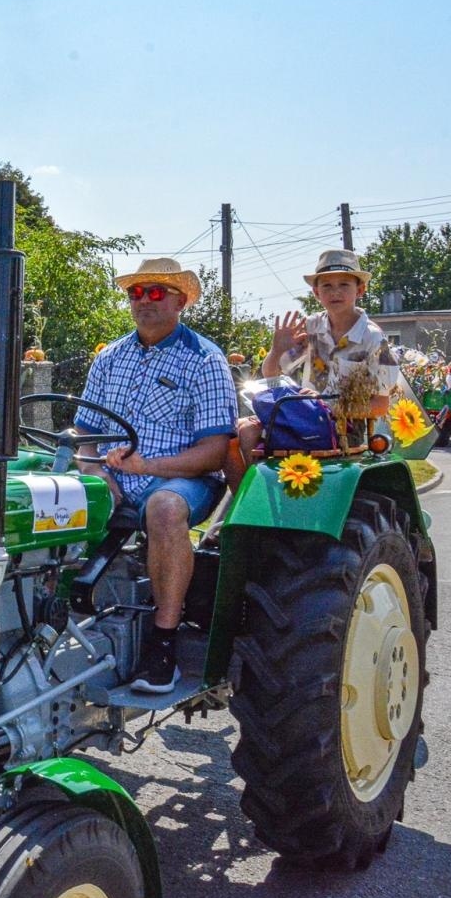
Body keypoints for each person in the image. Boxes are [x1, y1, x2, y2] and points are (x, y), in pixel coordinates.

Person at [74, 258, 237, 693]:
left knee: (165, 510)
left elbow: (213, 452)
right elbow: (83, 432)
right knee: (46, 496)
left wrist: (148, 467)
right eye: (136, 293)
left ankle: (163, 644)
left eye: (156, 292)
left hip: (179, 478)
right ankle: (56, 624)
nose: (143, 300)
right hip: (111, 476)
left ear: (181, 301)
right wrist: (93, 469)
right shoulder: (109, 357)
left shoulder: (204, 359)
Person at [227, 250, 397, 492]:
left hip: (345, 429)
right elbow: (272, 376)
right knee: (232, 435)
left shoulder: (372, 338)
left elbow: (380, 405)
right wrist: (277, 350)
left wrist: (326, 407)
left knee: (247, 431)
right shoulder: (311, 328)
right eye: (326, 285)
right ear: (316, 293)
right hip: (303, 417)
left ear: (360, 290)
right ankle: (248, 501)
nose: (335, 292)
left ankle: (257, 496)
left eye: (344, 285)